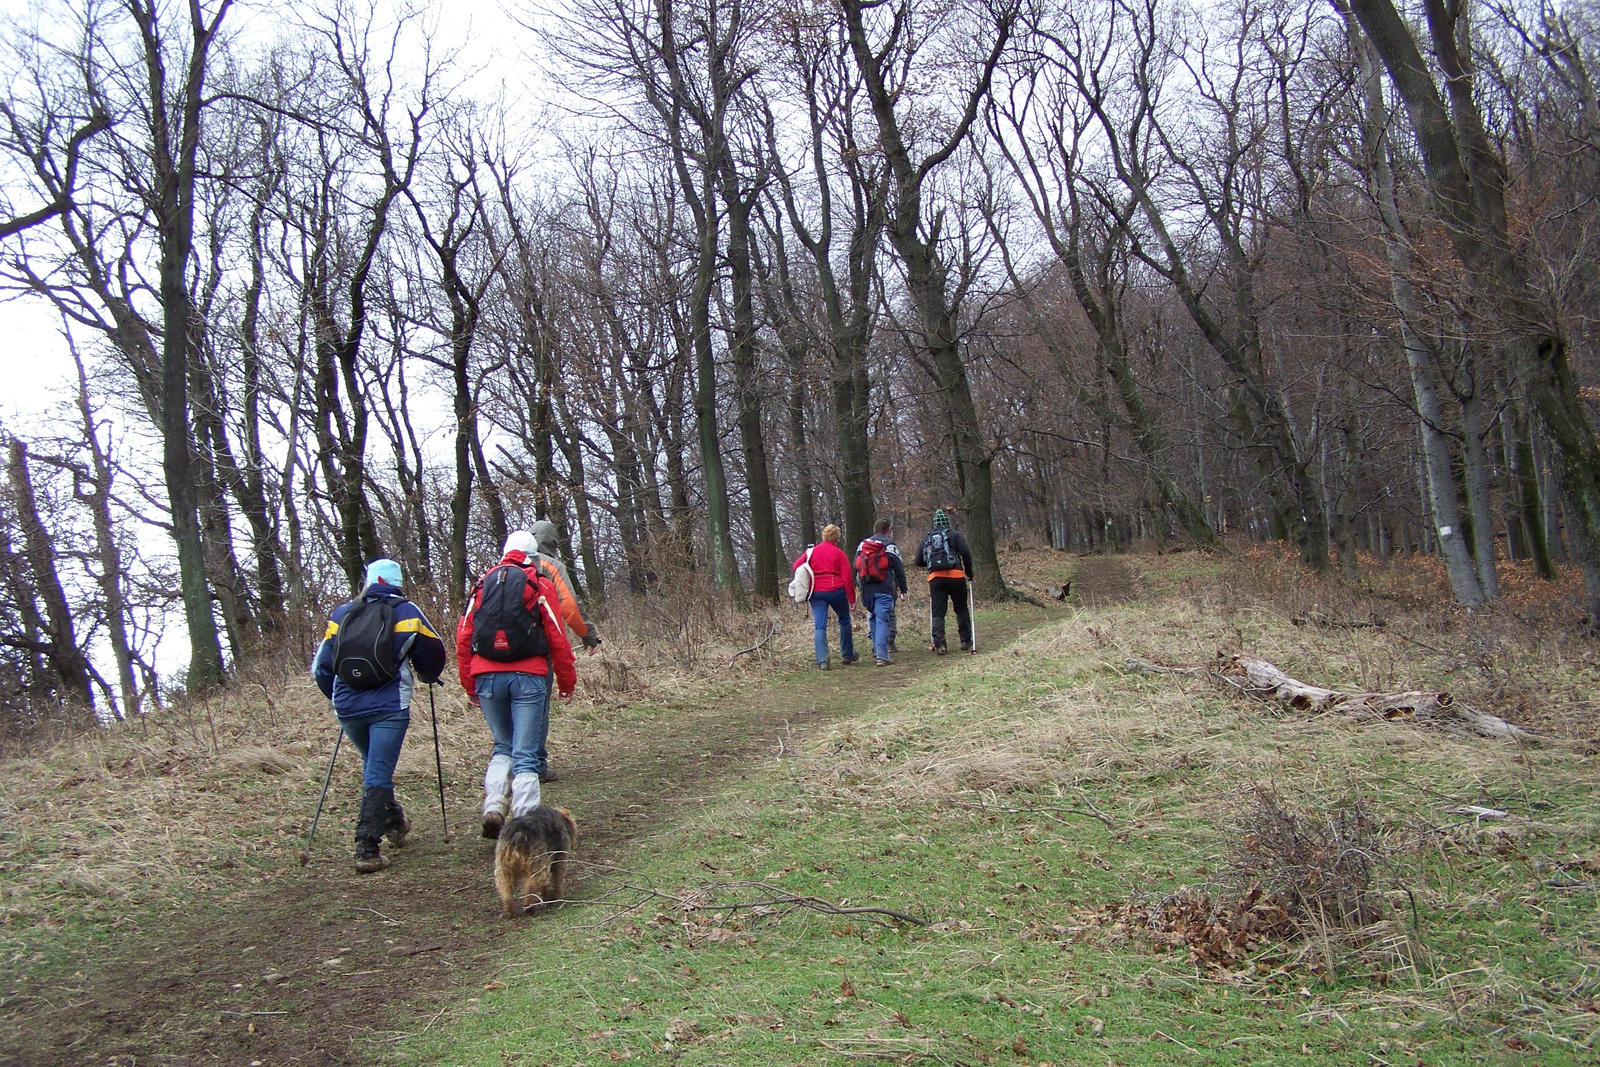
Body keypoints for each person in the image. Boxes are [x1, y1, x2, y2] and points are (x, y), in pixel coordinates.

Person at [312, 559, 447, 873]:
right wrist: (427, 675)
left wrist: (336, 696)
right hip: (388, 706)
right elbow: (434, 652)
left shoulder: (341, 615)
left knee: (376, 767)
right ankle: (366, 847)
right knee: (378, 773)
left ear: (368, 583)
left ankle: (395, 822)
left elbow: (321, 666)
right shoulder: (408, 612)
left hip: (347, 707)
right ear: (398, 583)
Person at [458, 534, 579, 840]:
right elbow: (557, 637)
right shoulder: (539, 583)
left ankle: (495, 804)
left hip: (486, 675)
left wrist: (469, 682)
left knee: (502, 746)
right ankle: (526, 827)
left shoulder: (482, 584)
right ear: (532, 556)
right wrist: (566, 680)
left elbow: (464, 636)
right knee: (525, 755)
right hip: (528, 675)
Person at [507, 524, 600, 783]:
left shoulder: (500, 567)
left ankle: (508, 764)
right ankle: (535, 764)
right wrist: (588, 635)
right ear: (553, 542)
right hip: (536, 651)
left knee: (508, 710)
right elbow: (569, 607)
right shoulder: (549, 565)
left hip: (493, 656)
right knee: (537, 708)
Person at [794, 523, 856, 669]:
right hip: (836, 590)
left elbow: (796, 566)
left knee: (820, 626)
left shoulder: (811, 552)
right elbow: (847, 578)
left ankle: (822, 660)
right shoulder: (839, 553)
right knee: (844, 620)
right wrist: (852, 599)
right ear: (837, 538)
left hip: (816, 592)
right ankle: (847, 654)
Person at [915, 508, 975, 655]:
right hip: (956, 576)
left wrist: (931, 564)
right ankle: (965, 640)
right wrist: (969, 572)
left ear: (935, 523)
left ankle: (940, 644)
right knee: (961, 608)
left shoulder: (927, 538)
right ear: (947, 522)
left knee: (938, 612)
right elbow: (965, 552)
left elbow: (918, 560)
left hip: (936, 578)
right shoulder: (955, 535)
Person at [855, 518, 908, 666]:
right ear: (888, 530)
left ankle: (877, 648)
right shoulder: (890, 545)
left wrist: (858, 588)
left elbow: (856, 567)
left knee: (873, 617)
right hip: (884, 588)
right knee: (883, 619)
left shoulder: (862, 545)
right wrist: (903, 589)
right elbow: (899, 569)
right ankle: (882, 655)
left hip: (867, 590)